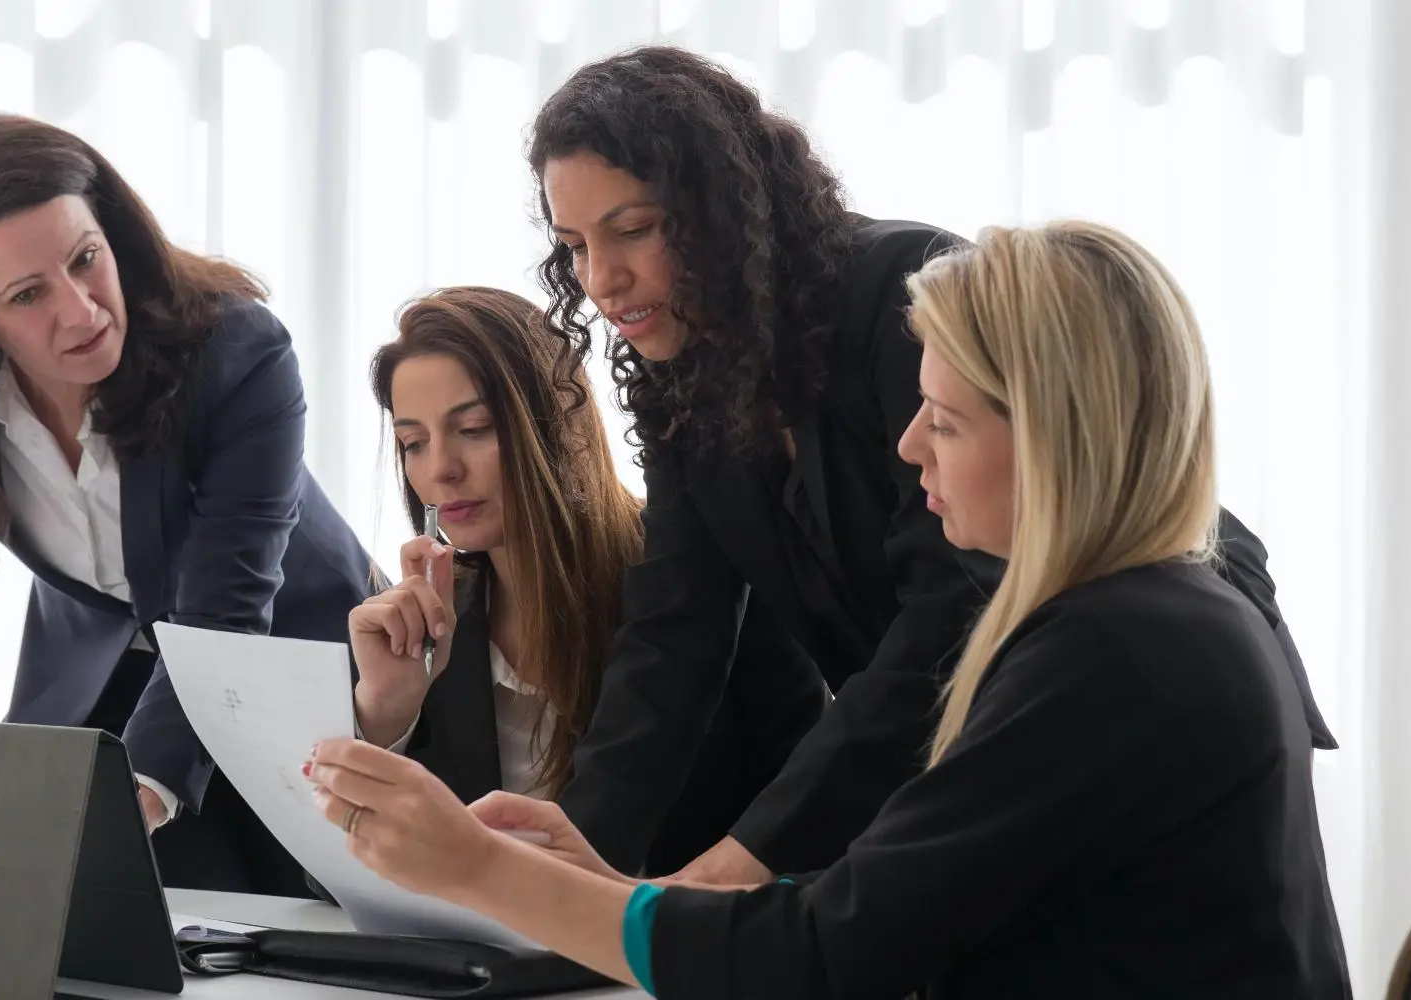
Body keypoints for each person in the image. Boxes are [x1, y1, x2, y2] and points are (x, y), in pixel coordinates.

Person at [303, 221, 1355, 998]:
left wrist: (485, 869)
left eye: (939, 420)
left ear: (1053, 433)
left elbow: (821, 951)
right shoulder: (1145, 623)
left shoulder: (1113, 655)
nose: (903, 449)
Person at [522, 45, 1338, 885]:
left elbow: (953, 605)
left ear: (720, 207)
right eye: (574, 245)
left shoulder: (903, 292)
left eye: (632, 229)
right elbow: (672, 635)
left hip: (1157, 687)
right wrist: (568, 870)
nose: (601, 279)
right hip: (1000, 713)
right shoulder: (681, 373)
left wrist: (737, 865)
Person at [0, 112, 375, 898]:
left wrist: (132, 803)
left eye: (87, 259)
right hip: (114, 691)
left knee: (284, 935)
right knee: (77, 926)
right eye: (27, 294)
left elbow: (224, 616)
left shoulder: (236, 353)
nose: (81, 311)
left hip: (300, 677)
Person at [351, 286, 825, 874]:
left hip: (676, 949)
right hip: (498, 957)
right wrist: (384, 718)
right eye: (413, 443)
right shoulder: (430, 620)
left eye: (473, 429)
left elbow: (813, 820)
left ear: (558, 423)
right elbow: (334, 882)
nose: (440, 469)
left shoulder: (698, 582)